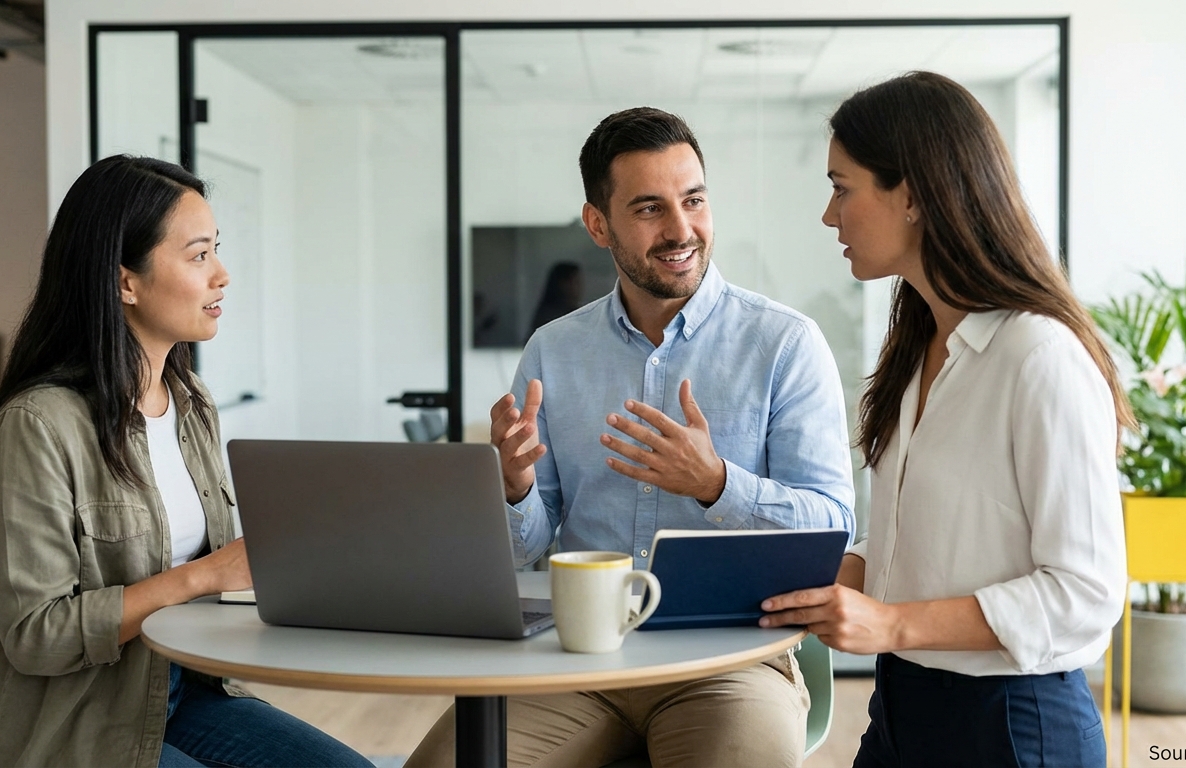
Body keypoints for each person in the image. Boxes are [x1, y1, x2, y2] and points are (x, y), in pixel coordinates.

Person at [406, 108, 855, 767]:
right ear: (598, 225)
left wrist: (717, 485)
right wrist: (513, 489)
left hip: (730, 663)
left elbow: (832, 528)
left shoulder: (785, 344)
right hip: (579, 659)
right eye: (649, 208)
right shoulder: (553, 351)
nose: (681, 230)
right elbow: (526, 550)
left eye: (694, 201)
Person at [760, 71, 1129, 767]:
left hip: (1014, 728)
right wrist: (812, 576)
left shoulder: (1040, 357)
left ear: (914, 196)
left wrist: (891, 623)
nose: (828, 215)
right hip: (906, 708)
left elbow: (1086, 592)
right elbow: (921, 547)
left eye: (842, 187)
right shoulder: (920, 350)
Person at [0, 155, 372, 768]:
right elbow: (37, 637)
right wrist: (203, 577)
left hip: (182, 691)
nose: (222, 275)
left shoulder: (191, 404)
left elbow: (223, 571)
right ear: (126, 281)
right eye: (199, 255)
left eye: (216, 251)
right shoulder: (38, 426)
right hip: (74, 723)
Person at [526, 260, 584, 340]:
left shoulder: (579, 313)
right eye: (576, 282)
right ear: (564, 284)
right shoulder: (550, 317)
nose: (580, 287)